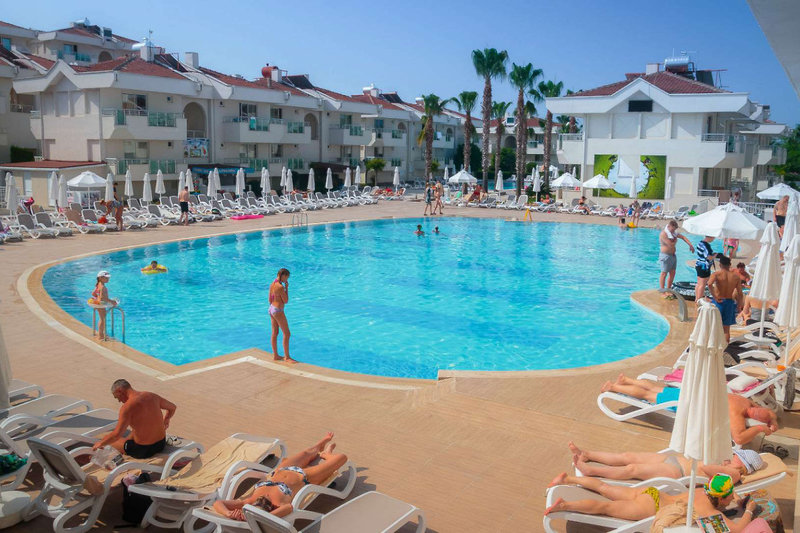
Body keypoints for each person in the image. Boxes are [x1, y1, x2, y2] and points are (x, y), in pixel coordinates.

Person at [544, 472, 760, 532]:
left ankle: (568, 479)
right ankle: (565, 506)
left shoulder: (702, 490)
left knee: (605, 488)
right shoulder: (710, 512)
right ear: (721, 497)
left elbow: (723, 495)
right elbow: (736, 530)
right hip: (652, 507)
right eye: (731, 495)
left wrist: (736, 500)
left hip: (652, 494)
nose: (733, 497)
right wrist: (749, 510)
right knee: (606, 507)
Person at [601, 374, 778, 445]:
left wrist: (773, 421)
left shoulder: (745, 402)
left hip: (691, 395)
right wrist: (760, 428)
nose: (756, 411)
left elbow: (770, 414)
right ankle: (614, 387)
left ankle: (627, 380)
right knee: (649, 395)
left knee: (655, 389)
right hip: (687, 403)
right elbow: (739, 438)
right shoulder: (736, 413)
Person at [213, 432, 348, 521]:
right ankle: (326, 454)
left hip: (282, 470)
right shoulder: (279, 505)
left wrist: (228, 513)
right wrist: (261, 517)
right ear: (266, 511)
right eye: (261, 507)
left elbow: (217, 503)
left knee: (306, 453)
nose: (260, 501)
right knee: (342, 458)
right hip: (304, 477)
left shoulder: (247, 502)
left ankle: (320, 445)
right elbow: (288, 508)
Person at [568, 441, 761, 484]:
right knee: (628, 456)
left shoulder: (734, 473)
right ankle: (586, 453)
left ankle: (591, 471)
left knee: (632, 469)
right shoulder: (728, 464)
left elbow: (705, 467)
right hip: (675, 460)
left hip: (677, 472)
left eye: (737, 455)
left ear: (743, 463)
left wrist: (723, 463)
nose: (733, 454)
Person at [91, 379, 176, 459]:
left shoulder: (127, 407)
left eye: (117, 397)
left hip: (143, 450)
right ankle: (127, 441)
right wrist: (167, 419)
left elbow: (117, 435)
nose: (119, 401)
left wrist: (100, 443)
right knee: (137, 428)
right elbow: (172, 407)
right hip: (161, 444)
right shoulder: (151, 396)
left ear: (120, 391)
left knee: (106, 439)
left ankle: (124, 446)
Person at [708, 255, 744, 342]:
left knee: (714, 327)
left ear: (720, 264)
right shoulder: (736, 277)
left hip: (718, 302)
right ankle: (725, 348)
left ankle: (714, 346)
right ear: (729, 265)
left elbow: (709, 284)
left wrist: (715, 297)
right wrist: (739, 306)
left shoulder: (716, 274)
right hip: (729, 302)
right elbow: (740, 293)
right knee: (726, 330)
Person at [659, 220, 694, 298]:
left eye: (674, 230)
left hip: (673, 256)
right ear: (669, 226)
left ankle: (668, 290)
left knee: (673, 273)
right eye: (672, 229)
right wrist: (676, 239)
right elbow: (670, 244)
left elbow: (683, 237)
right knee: (664, 273)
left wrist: (690, 245)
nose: (673, 231)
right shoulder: (663, 234)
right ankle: (662, 291)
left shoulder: (673, 234)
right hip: (665, 256)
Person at [268, 269, 294, 363]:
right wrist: (286, 288)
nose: (286, 280)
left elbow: (270, 299)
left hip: (271, 309)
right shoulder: (280, 287)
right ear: (283, 275)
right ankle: (287, 357)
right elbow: (286, 301)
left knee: (275, 333)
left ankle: (276, 355)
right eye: (287, 277)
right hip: (278, 311)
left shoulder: (272, 284)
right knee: (287, 333)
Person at [90, 270, 117, 341]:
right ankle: (101, 336)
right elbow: (103, 298)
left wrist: (97, 298)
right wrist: (112, 301)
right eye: (106, 278)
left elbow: (93, 293)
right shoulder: (102, 287)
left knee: (101, 319)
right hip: (101, 304)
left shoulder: (98, 284)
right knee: (102, 319)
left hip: (99, 303)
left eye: (108, 278)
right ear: (100, 278)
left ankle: (101, 334)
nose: (108, 279)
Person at [695, 236, 718, 302]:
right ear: (710, 237)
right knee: (702, 284)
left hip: (699, 264)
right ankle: (699, 300)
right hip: (704, 267)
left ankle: (697, 298)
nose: (713, 239)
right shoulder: (706, 245)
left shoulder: (700, 243)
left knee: (699, 283)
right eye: (713, 237)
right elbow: (708, 257)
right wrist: (715, 255)